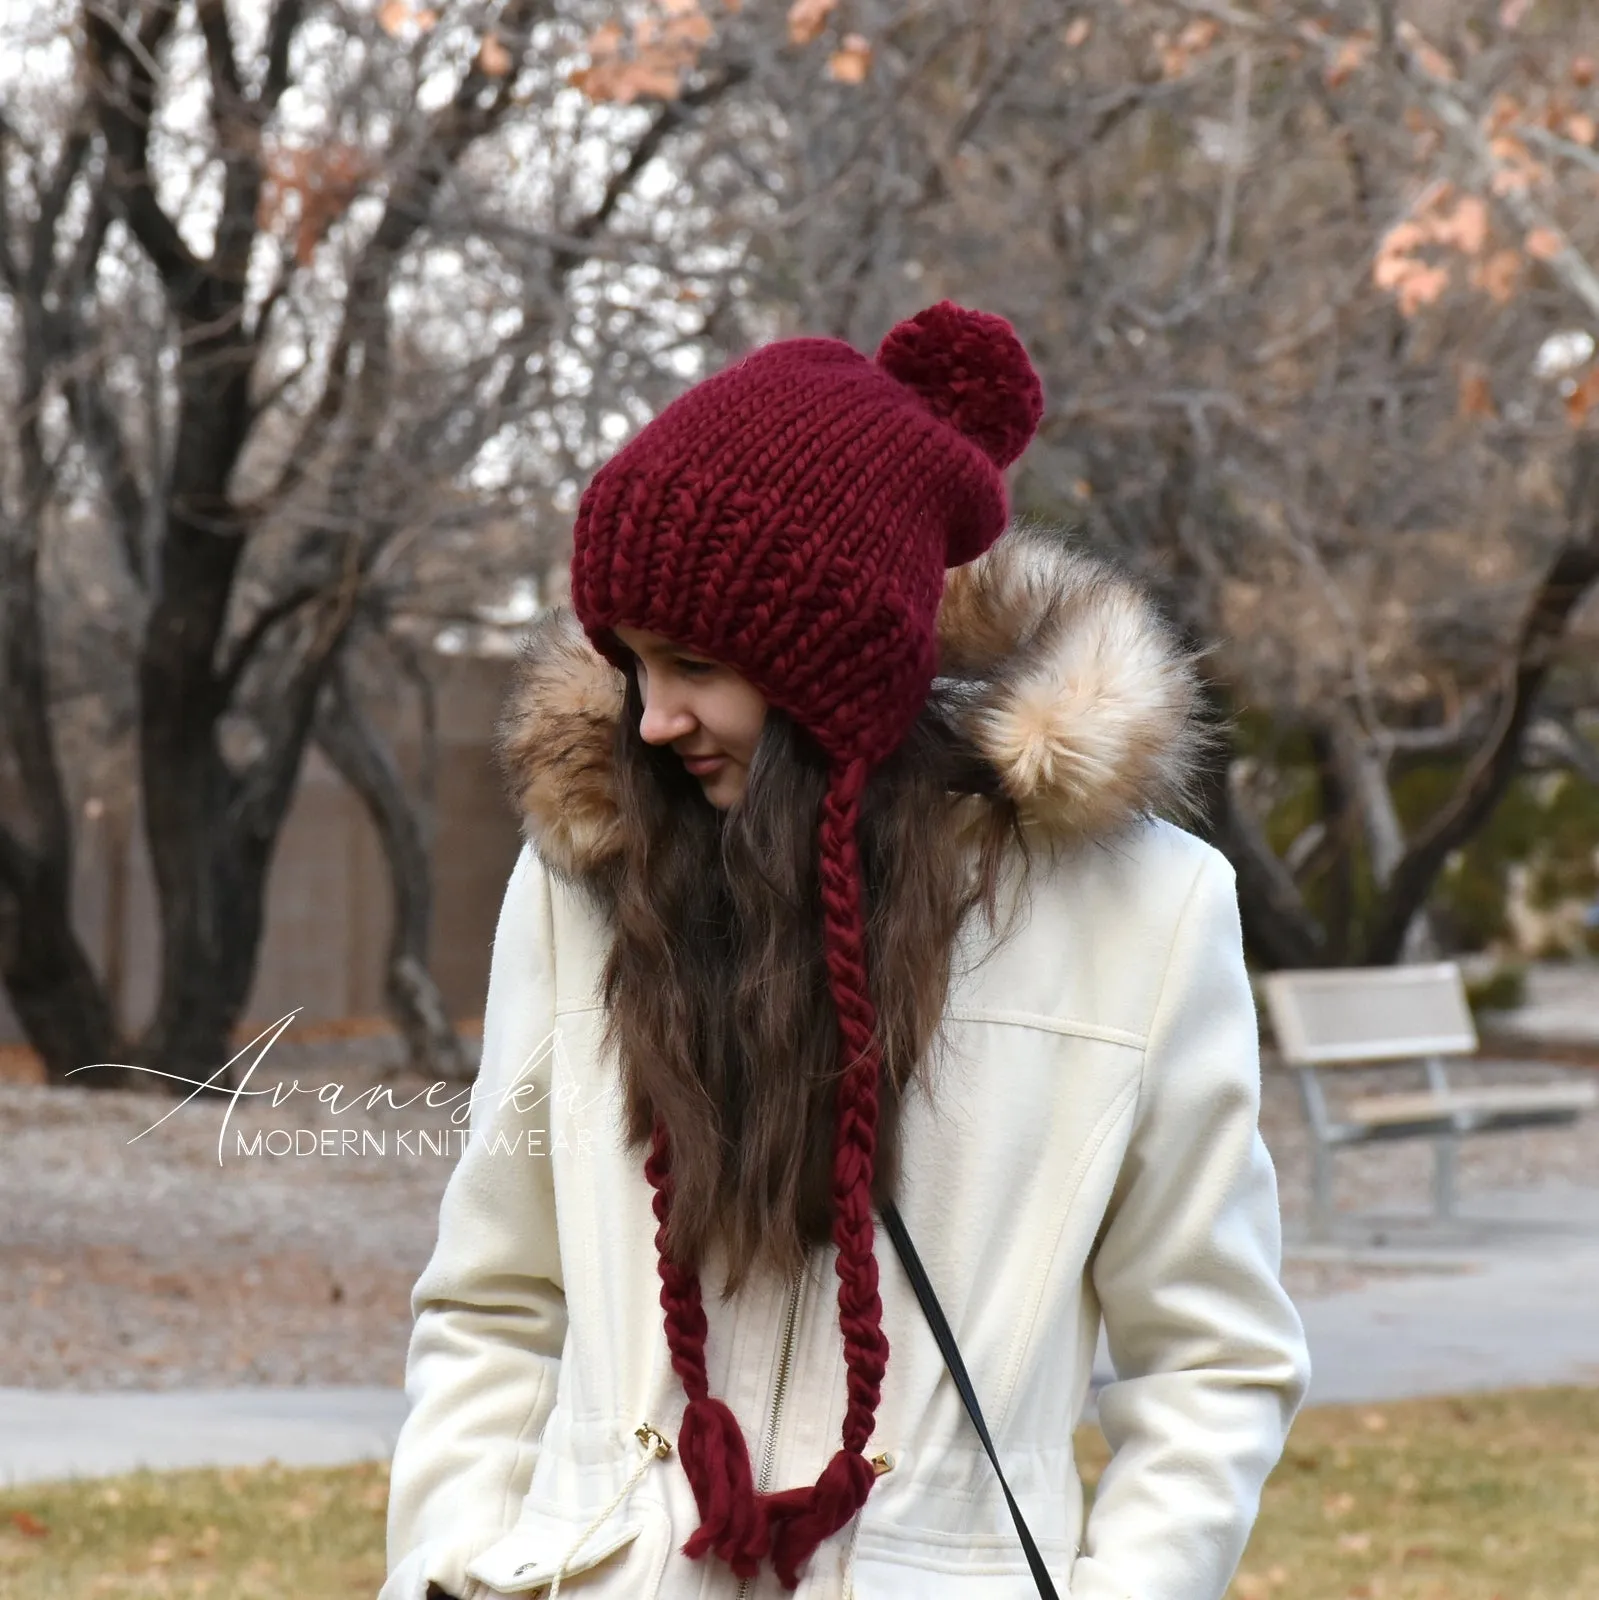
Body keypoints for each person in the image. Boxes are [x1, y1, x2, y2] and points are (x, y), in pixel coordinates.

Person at [381, 302, 1311, 1600]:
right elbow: (492, 1303)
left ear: (827, 658)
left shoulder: (1141, 913)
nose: (651, 720)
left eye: (694, 664)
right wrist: (446, 1566)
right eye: (631, 664)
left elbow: (1210, 1358)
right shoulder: (582, 886)